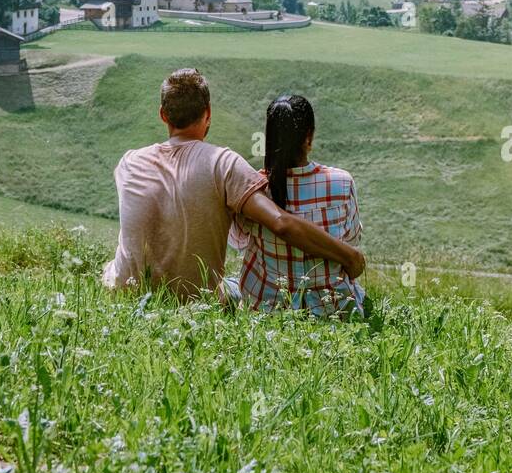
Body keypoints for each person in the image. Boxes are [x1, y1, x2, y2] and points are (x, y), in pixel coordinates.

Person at [102, 68, 364, 302]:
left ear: (162, 115)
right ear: (208, 113)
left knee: (110, 265)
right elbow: (281, 222)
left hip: (126, 294)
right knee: (233, 288)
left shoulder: (128, 162)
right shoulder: (223, 163)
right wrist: (351, 257)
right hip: (195, 301)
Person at [229, 94, 365, 316]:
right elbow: (350, 239)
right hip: (332, 309)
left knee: (230, 284)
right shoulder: (341, 182)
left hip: (268, 309)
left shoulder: (255, 189)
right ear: (308, 138)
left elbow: (239, 241)